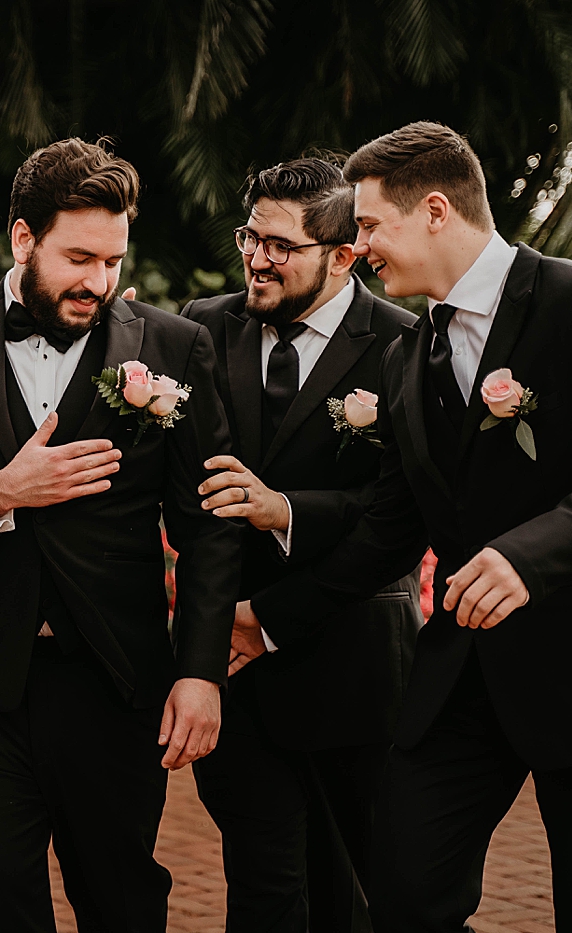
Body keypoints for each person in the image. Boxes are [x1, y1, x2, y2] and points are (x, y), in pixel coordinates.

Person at [233, 122, 572, 931]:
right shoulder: (409, 356)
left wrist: (528, 556)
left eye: (370, 225)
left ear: (437, 210)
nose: (359, 245)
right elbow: (389, 527)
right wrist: (267, 621)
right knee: (404, 890)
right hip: (459, 678)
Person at [0, 137, 241, 933]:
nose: (98, 282)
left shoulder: (175, 348)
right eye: (80, 258)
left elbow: (205, 530)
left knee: (121, 900)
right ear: (23, 237)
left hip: (114, 683)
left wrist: (201, 671)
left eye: (112, 261)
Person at [182, 158, 425, 933]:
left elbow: (404, 511)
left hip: (356, 670)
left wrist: (285, 510)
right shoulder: (201, 325)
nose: (256, 257)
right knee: (263, 891)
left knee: (382, 892)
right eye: (251, 236)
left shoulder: (404, 343)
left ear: (344, 255)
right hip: (238, 679)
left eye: (281, 246)